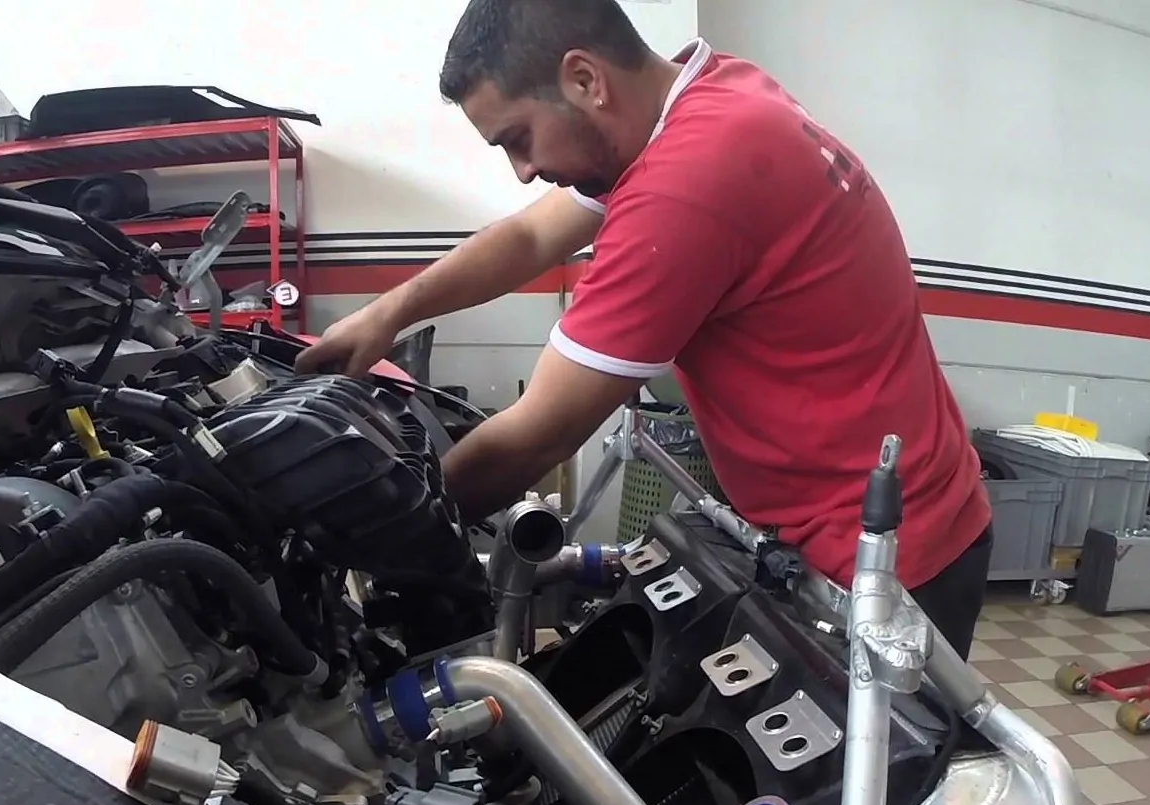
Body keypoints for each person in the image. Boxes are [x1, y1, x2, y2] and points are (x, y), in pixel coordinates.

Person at [293, 0, 993, 658]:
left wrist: (367, 534)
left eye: (518, 139)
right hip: (864, 508)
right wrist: (388, 312)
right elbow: (531, 236)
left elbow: (539, 433)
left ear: (585, 80)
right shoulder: (712, 94)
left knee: (847, 756)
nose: (523, 171)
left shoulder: (689, 179)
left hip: (886, 558)